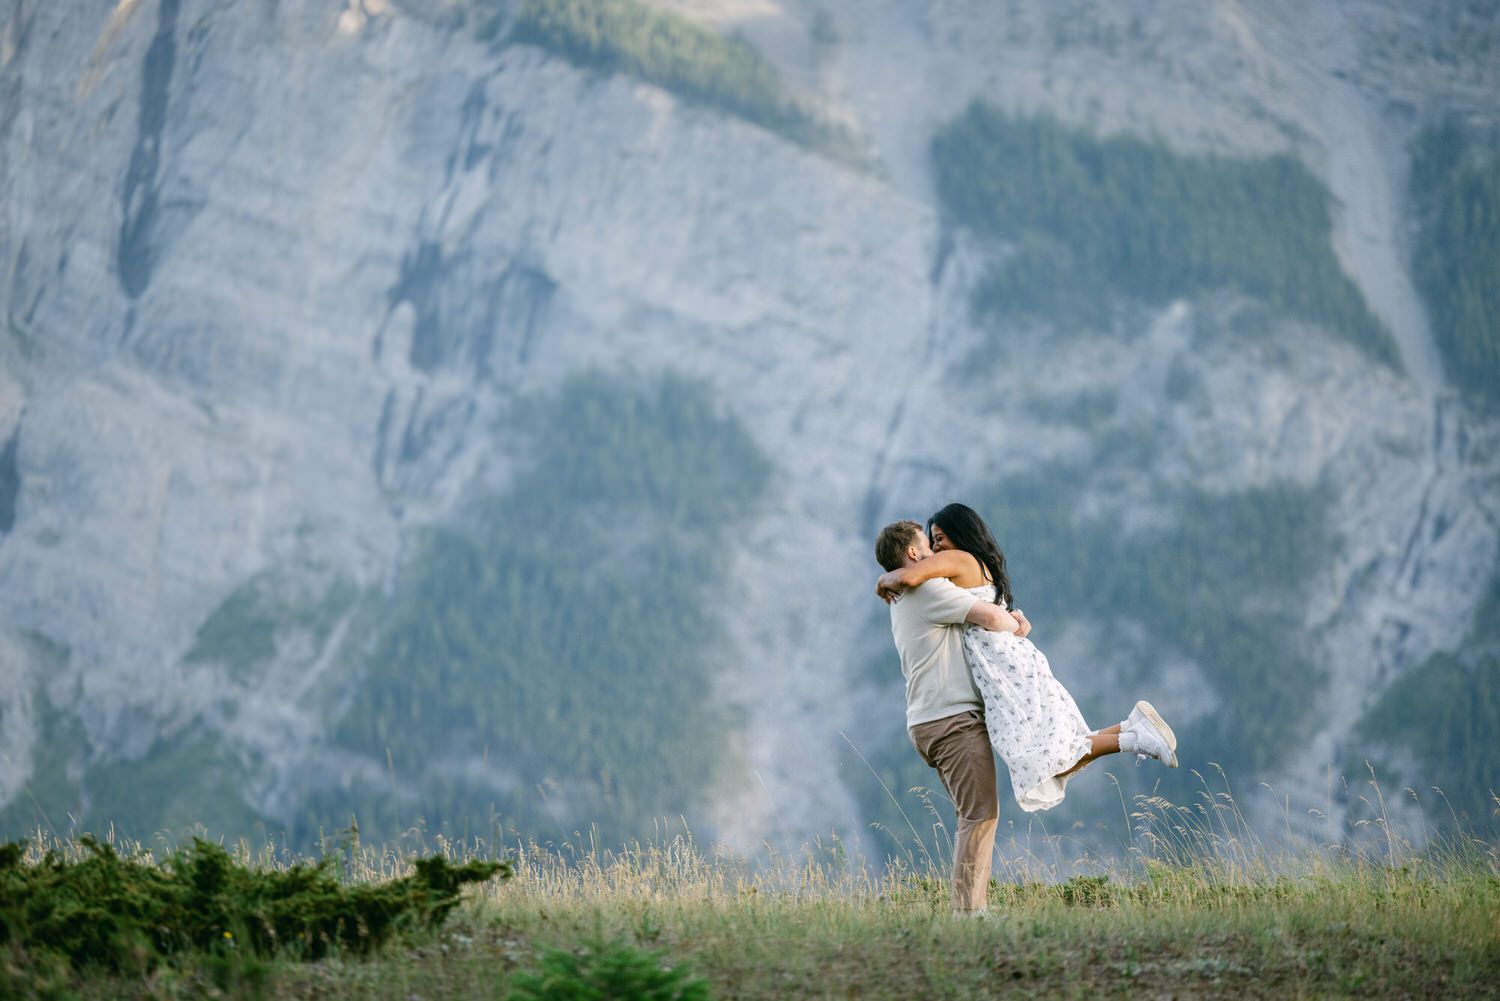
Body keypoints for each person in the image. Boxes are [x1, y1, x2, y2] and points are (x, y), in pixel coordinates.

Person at [877, 503, 1177, 818]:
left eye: (939, 538)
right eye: (932, 540)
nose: (936, 547)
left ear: (960, 533)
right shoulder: (970, 565)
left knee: (1041, 758)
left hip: (1004, 670)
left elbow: (911, 578)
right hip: (1011, 663)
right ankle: (1130, 729)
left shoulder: (959, 559)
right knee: (1053, 752)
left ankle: (1135, 738)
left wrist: (883, 582)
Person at [873, 518, 1020, 914]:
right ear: (912, 553)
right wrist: (1018, 623)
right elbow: (991, 619)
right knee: (979, 813)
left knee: (974, 812)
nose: (936, 553)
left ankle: (972, 910)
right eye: (929, 544)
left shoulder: (905, 595)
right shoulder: (927, 590)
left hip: (928, 720)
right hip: (951, 720)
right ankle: (969, 914)